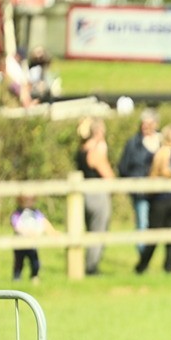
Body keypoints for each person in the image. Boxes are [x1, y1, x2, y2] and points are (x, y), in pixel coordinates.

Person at [135, 126, 171, 274]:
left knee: (153, 237)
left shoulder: (154, 155)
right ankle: (169, 266)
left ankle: (142, 266)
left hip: (156, 202)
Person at [76, 117, 115, 275]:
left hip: (84, 195)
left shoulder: (81, 149)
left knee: (91, 229)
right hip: (97, 195)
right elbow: (108, 175)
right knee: (98, 230)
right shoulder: (95, 152)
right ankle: (92, 267)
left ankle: (89, 264)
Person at [119, 109, 161, 246]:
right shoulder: (133, 143)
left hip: (160, 192)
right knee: (142, 222)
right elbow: (123, 167)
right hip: (140, 191)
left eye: (149, 124)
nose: (146, 127)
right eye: (144, 124)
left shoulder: (162, 142)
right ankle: (143, 258)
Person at [11, 195, 55, 283]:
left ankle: (34, 276)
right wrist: (26, 232)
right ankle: (17, 278)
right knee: (19, 262)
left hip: (32, 243)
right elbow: (16, 225)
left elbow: (43, 222)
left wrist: (52, 232)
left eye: (30, 200)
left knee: (35, 262)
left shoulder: (36, 213)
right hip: (20, 243)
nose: (28, 202)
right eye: (25, 200)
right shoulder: (17, 213)